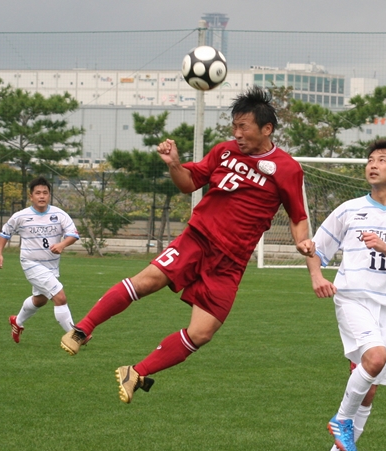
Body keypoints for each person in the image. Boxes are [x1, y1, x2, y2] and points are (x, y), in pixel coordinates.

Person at [60, 86, 314, 403]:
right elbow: (188, 184)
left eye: (243, 127)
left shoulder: (288, 168)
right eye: (234, 126)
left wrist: (302, 242)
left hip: (230, 262)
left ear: (266, 128)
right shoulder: (223, 152)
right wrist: (173, 164)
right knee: (147, 281)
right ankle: (82, 329)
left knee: (202, 332)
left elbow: (297, 216)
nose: (236, 133)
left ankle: (136, 372)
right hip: (198, 239)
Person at [305, 140, 386, 451]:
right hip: (353, 298)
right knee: (374, 358)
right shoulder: (348, 210)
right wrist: (317, 277)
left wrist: (385, 246)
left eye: (382, 160)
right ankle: (340, 419)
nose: (373, 164)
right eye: (370, 160)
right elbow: (316, 249)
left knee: (368, 390)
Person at [0, 176, 82, 343]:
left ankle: (17, 321)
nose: (42, 196)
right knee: (60, 297)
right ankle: (75, 336)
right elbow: (5, 233)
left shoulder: (59, 214)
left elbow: (73, 235)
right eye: (38, 193)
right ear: (31, 196)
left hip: (51, 265)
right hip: (31, 263)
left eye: (45, 193)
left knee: (40, 300)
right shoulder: (21, 216)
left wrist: (62, 244)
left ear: (49, 195)